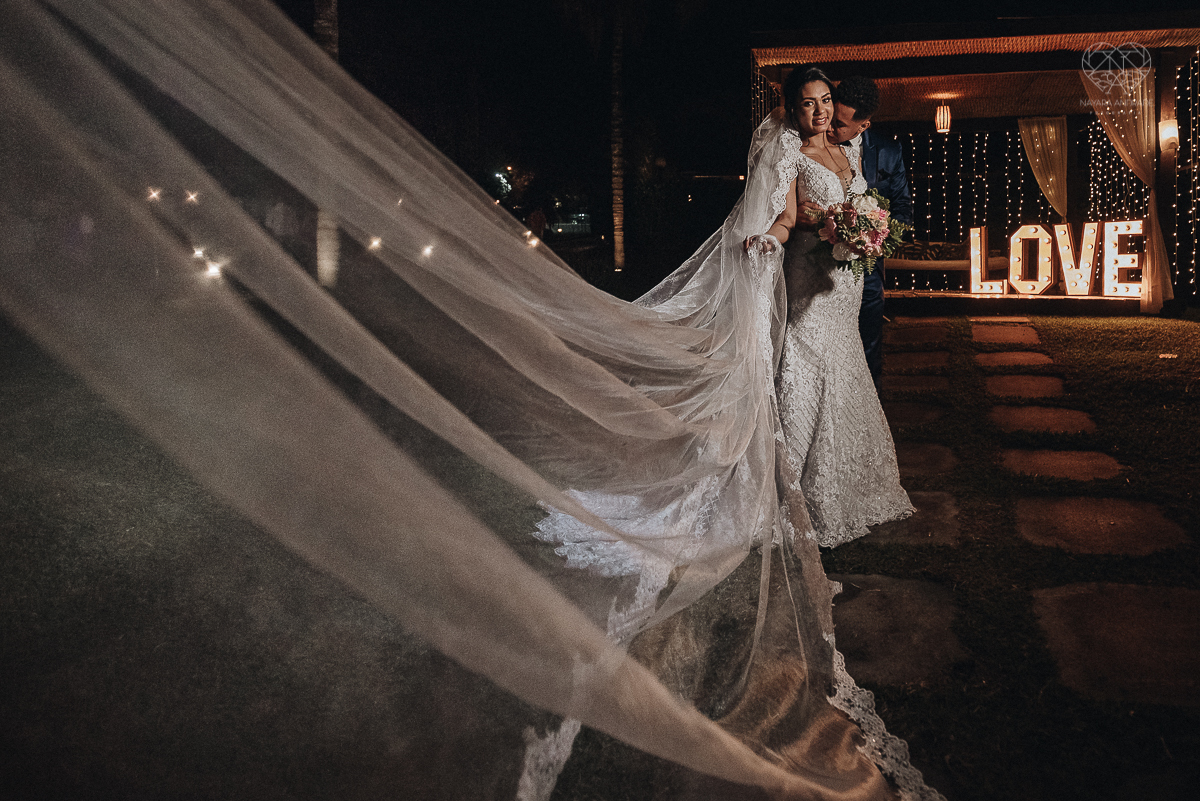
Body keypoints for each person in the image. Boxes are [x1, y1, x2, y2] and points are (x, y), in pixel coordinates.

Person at [748, 67, 913, 549]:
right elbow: (786, 218)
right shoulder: (790, 155)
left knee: (844, 370)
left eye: (824, 101)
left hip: (848, 286)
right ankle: (793, 492)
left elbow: (868, 208)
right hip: (810, 284)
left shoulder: (844, 151)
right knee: (804, 371)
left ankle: (849, 487)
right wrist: (768, 240)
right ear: (792, 109)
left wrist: (867, 233)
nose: (820, 111)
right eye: (807, 103)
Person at [825, 75, 913, 394]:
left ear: (863, 125)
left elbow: (903, 209)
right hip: (819, 268)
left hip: (868, 273)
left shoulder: (889, 151)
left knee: (868, 351)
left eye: (840, 123)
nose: (830, 127)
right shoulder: (812, 145)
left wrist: (875, 239)